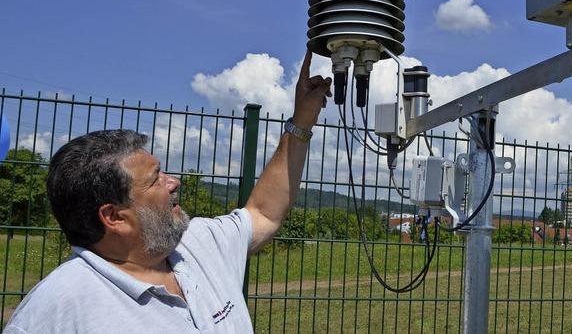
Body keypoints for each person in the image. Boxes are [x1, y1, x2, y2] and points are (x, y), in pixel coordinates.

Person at [4, 50, 332, 333]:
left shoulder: (199, 242)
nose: (173, 182)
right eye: (156, 178)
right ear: (114, 216)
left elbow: (264, 212)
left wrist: (301, 121)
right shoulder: (56, 312)